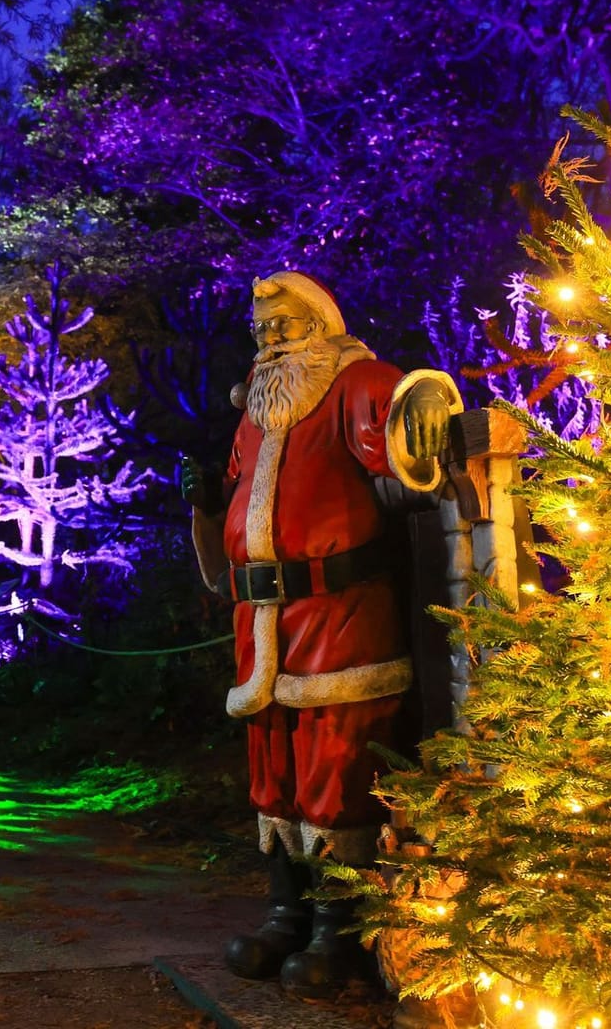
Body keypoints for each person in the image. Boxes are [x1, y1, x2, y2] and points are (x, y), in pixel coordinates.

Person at [183, 271, 458, 996]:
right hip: (263, 628)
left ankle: (342, 929)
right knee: (274, 772)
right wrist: (211, 510)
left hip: (341, 621)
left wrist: (426, 394)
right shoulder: (255, 414)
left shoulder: (351, 381)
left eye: (286, 327)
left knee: (339, 765)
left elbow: (401, 419)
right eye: (263, 331)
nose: (272, 342)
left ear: (322, 328)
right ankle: (287, 914)